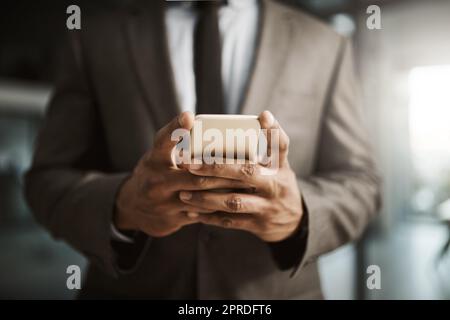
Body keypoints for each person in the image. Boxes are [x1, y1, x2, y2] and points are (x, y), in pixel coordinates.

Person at [25, 0, 381, 299]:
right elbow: (46, 179)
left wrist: (301, 215)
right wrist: (123, 207)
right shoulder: (93, 35)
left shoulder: (324, 43)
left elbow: (362, 183)